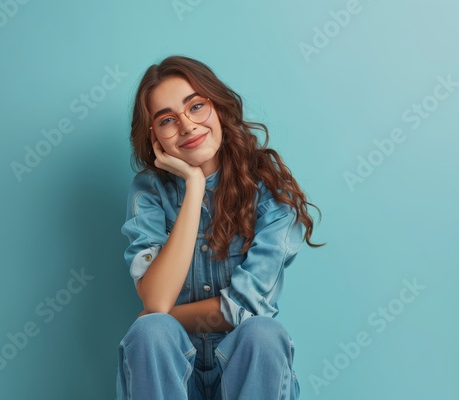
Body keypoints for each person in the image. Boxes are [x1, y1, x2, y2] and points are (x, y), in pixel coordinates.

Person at [116, 55, 323, 400]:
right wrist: (194, 185)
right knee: (151, 331)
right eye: (167, 120)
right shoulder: (149, 192)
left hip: (246, 374)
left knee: (262, 332)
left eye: (196, 106)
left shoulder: (270, 191)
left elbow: (243, 307)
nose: (186, 126)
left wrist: (165, 312)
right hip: (172, 378)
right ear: (155, 138)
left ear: (218, 107)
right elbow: (156, 300)